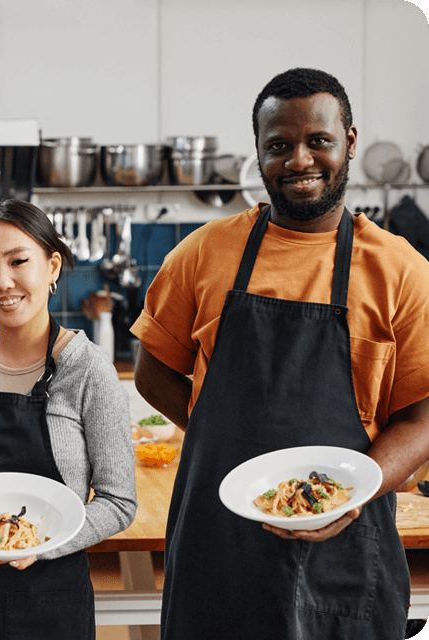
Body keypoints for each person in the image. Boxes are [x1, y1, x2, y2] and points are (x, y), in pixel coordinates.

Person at [131, 67, 429, 639]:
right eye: (279, 146)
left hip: (346, 543)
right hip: (219, 543)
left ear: (350, 142)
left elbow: (421, 417)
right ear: (259, 154)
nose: (299, 160)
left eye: (318, 140)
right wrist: (227, 445)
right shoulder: (203, 253)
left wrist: (354, 489)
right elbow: (153, 373)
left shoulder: (400, 270)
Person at [0, 199, 137, 639]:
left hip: (50, 600)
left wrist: (41, 546)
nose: (3, 282)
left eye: (19, 261)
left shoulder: (89, 370)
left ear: (53, 265)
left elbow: (119, 502)